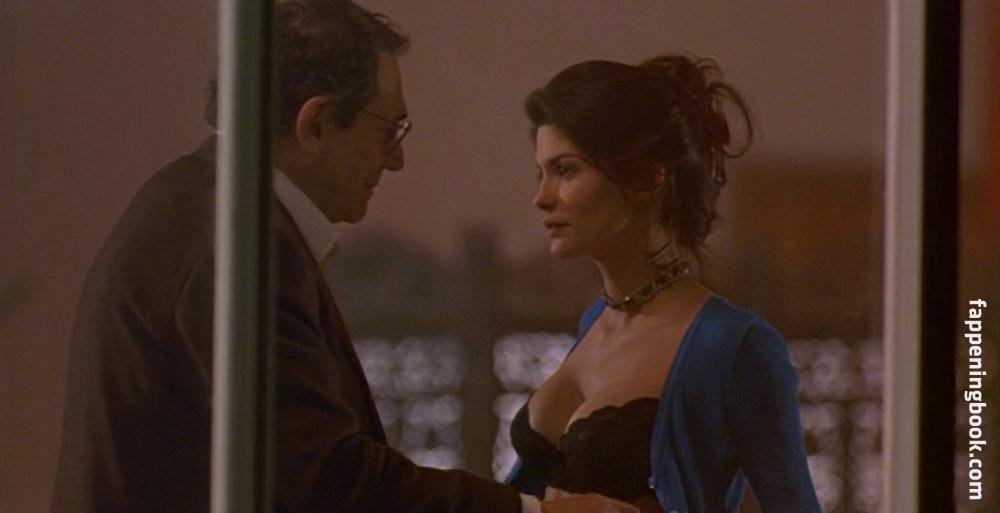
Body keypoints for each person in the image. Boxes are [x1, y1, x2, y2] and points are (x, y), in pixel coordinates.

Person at [50, 1, 636, 513]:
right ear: (315, 125)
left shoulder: (206, 209)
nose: (396, 161)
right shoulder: (235, 243)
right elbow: (325, 481)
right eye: (390, 131)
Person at [504, 55, 823, 513]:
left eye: (566, 170)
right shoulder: (596, 320)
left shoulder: (734, 346)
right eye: (541, 173)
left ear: (646, 177)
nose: (541, 197)